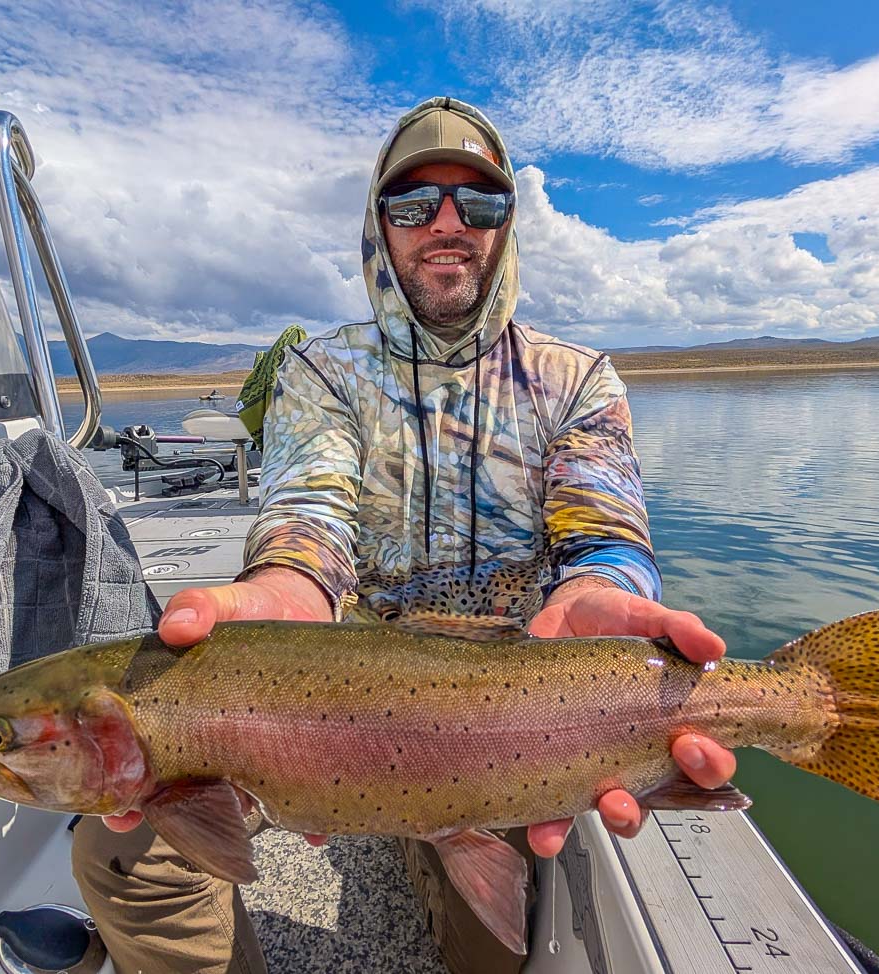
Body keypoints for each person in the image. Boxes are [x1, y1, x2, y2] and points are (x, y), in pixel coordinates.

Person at [73, 96, 736, 974]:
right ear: (379, 227)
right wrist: (287, 589)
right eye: (416, 203)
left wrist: (600, 592)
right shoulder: (323, 371)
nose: (448, 224)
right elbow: (310, 517)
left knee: (492, 956)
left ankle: (420, 843)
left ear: (508, 226)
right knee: (122, 856)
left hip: (514, 717)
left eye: (481, 202)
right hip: (329, 706)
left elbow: (603, 536)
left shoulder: (576, 380)